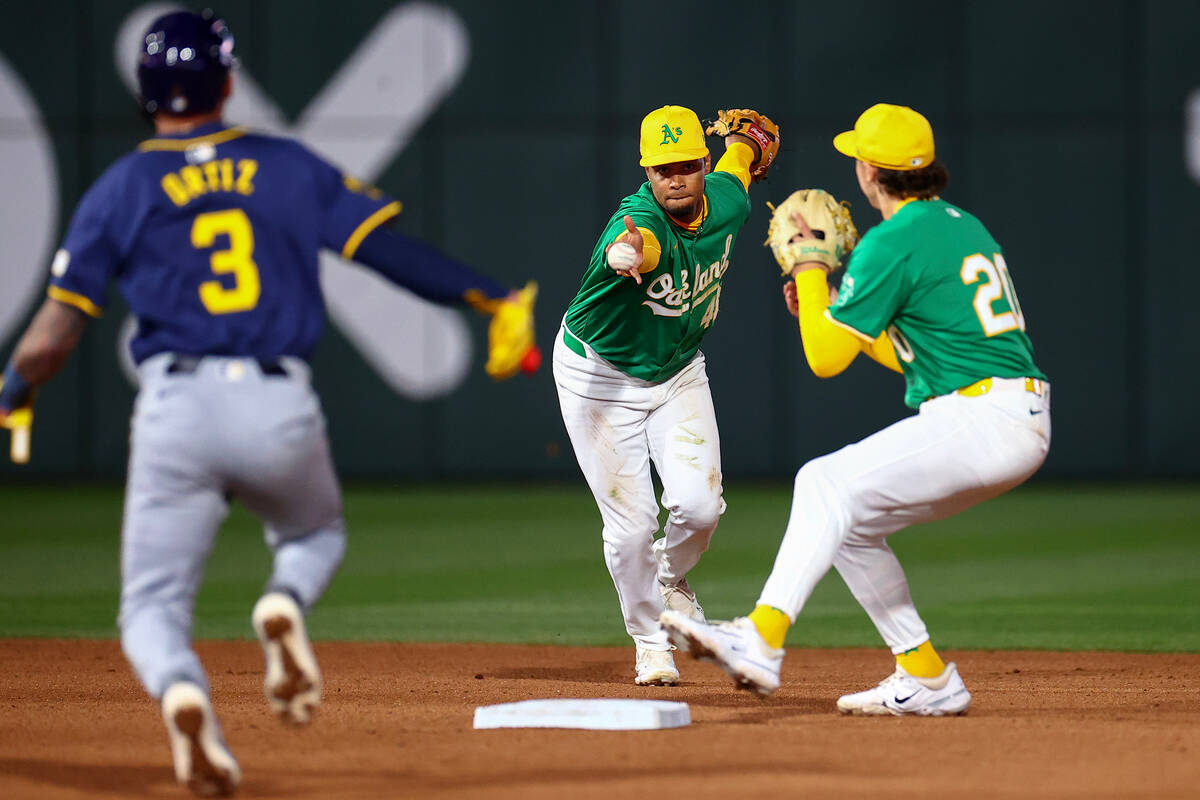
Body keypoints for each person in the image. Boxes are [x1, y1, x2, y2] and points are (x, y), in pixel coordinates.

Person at [0, 11, 537, 796]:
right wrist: (486, 295)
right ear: (225, 82)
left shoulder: (121, 186)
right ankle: (282, 602)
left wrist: (15, 387)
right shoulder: (284, 167)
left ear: (148, 93)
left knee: (150, 606)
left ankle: (183, 689)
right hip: (277, 401)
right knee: (315, 531)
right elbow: (388, 252)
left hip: (174, 407)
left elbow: (53, 335)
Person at [661, 102, 1051, 715]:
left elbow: (823, 359)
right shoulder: (960, 226)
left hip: (985, 418)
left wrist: (812, 270)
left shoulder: (891, 242)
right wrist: (827, 306)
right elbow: (917, 355)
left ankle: (761, 637)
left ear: (870, 172)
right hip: (1004, 412)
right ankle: (925, 676)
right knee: (848, 522)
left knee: (821, 481)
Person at [553, 105, 778, 686]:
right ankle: (650, 642)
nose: (673, 178)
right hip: (599, 379)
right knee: (629, 528)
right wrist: (626, 255)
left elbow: (743, 159)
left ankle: (666, 579)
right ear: (645, 173)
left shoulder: (728, 198)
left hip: (677, 371)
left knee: (701, 508)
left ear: (703, 163)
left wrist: (749, 149)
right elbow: (638, 247)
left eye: (685, 165)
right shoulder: (635, 219)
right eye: (660, 169)